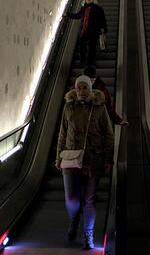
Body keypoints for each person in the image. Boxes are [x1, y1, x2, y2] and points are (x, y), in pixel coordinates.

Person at [55, 75, 114, 250]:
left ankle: (88, 234)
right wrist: (59, 157)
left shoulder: (99, 108)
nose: (81, 91)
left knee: (89, 200)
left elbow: (108, 135)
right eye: (79, 88)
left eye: (85, 88)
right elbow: (62, 134)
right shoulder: (68, 107)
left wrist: (108, 158)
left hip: (92, 159)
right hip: (71, 159)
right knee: (72, 198)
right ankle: (74, 218)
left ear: (90, 89)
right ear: (75, 89)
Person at [65, 0, 107, 66]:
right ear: (85, 0)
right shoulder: (84, 9)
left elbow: (102, 19)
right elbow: (78, 16)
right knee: (83, 45)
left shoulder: (98, 8)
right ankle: (83, 61)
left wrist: (104, 29)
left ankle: (90, 62)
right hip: (85, 30)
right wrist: (68, 15)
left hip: (94, 31)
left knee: (92, 47)